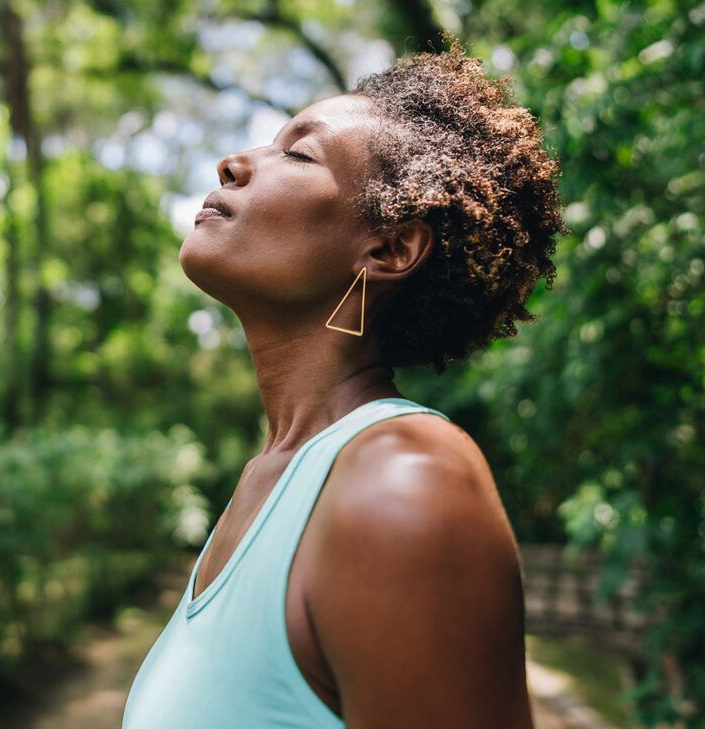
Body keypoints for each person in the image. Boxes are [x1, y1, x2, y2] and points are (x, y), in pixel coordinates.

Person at [122, 35, 567, 729]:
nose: (234, 163)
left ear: (388, 249)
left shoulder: (403, 479)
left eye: (299, 153)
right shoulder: (269, 480)